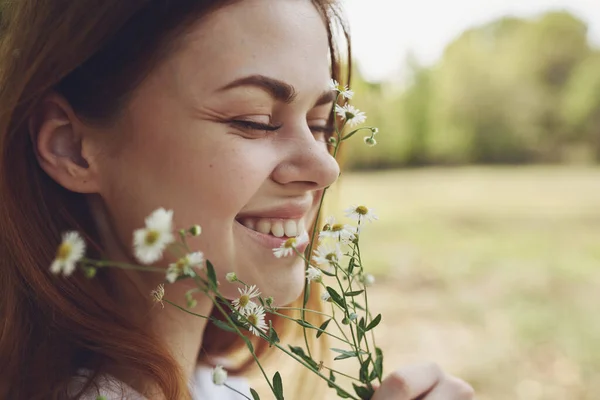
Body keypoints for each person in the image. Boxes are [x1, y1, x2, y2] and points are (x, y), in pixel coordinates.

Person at [0, 1, 475, 399]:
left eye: (321, 125)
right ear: (70, 147)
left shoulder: (215, 386)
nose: (325, 167)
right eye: (255, 120)